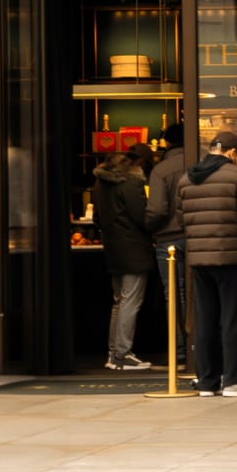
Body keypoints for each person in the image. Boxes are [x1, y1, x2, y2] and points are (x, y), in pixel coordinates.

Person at [173, 131, 237, 397]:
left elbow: (181, 221)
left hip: (199, 260)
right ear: (232, 152)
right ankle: (234, 380)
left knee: (205, 320)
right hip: (231, 257)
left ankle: (207, 381)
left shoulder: (186, 178)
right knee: (233, 319)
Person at [92, 147, 153, 371]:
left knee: (119, 301)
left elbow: (97, 219)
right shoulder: (131, 184)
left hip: (113, 248)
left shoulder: (99, 185)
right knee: (130, 301)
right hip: (134, 248)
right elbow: (142, 217)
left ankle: (113, 353)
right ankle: (122, 354)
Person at [143, 122, 189, 367]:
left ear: (168, 143)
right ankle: (197, 347)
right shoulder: (198, 163)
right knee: (198, 293)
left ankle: (179, 349)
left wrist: (148, 227)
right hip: (196, 236)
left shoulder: (161, 169)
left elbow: (157, 209)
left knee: (174, 294)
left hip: (168, 239)